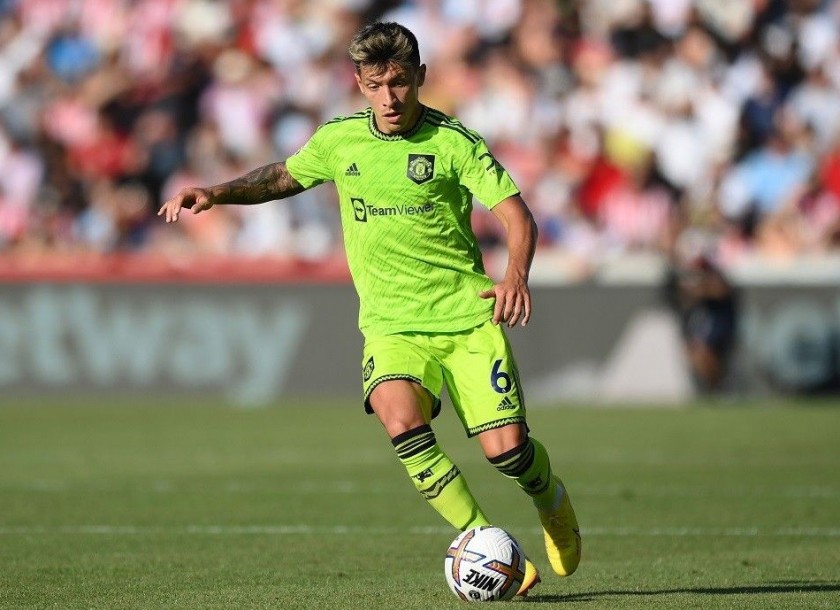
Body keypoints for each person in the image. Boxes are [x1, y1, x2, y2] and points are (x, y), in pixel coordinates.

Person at [158, 21, 580, 595]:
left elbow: (515, 215)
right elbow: (282, 175)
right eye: (377, 84)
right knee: (400, 419)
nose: (389, 98)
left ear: (420, 78)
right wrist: (217, 191)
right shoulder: (340, 141)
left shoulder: (454, 142)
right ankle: (484, 543)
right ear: (358, 83)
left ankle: (548, 496)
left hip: (467, 320)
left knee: (506, 453)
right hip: (391, 328)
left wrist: (514, 276)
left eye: (401, 83)